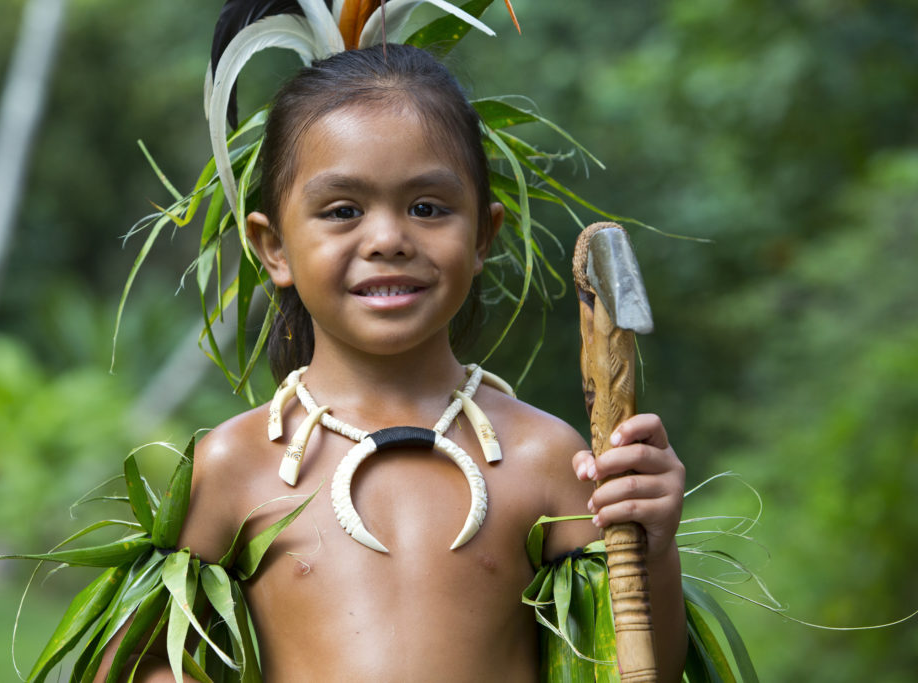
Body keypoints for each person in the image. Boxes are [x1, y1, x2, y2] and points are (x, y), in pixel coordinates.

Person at [96, 43, 687, 682]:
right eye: (343, 210)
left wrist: (651, 540)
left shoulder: (545, 457)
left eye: (427, 208)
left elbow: (636, 662)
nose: (387, 241)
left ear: (484, 235)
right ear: (274, 248)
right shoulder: (235, 466)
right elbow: (137, 665)